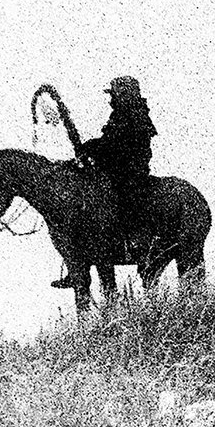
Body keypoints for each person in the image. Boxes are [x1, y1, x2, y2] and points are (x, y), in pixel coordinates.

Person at [51, 76, 160, 288]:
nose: (112, 99)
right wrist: (90, 148)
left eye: (115, 95)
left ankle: (135, 243)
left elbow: (118, 146)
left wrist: (93, 149)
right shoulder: (119, 114)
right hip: (115, 168)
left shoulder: (136, 115)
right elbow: (108, 142)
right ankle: (76, 260)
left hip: (130, 171)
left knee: (123, 198)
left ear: (125, 95)